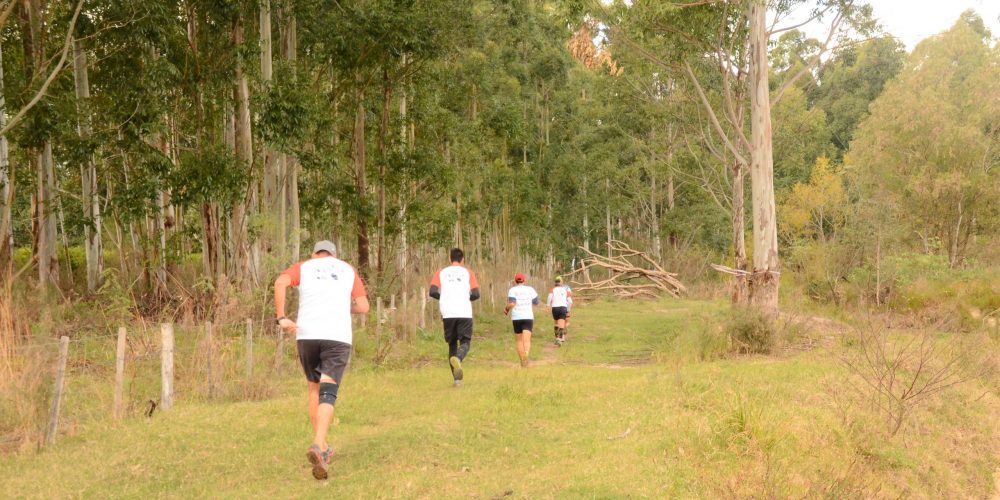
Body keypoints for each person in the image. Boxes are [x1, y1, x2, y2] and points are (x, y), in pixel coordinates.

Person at [274, 240, 369, 480]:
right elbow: (364, 306)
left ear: (314, 254)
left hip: (307, 335)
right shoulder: (347, 270)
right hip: (336, 337)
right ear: (334, 255)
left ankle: (323, 447)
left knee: (313, 390)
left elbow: (280, 282)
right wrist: (341, 307)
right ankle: (318, 443)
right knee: (329, 392)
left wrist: (281, 317)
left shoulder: (304, 266)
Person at [429, 248, 480, 386]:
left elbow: (432, 291)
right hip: (464, 312)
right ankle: (458, 357)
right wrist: (464, 297)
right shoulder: (468, 273)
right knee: (465, 342)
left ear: (449, 259)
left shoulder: (440, 272)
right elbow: (476, 294)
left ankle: (456, 380)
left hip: (448, 313)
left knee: (451, 344)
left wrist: (444, 297)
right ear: (462, 260)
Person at [503, 272, 539, 367]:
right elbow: (536, 302)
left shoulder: (512, 290)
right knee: (526, 340)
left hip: (517, 317)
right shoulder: (530, 289)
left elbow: (512, 304)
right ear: (524, 280)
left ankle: (523, 361)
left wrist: (506, 309)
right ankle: (526, 354)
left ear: (515, 281)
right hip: (528, 317)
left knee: (519, 340)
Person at [547, 276, 573, 345]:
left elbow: (550, 296)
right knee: (561, 324)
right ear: (561, 282)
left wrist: (548, 305)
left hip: (555, 308)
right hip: (563, 308)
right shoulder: (565, 290)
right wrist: (568, 310)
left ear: (555, 283)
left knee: (556, 323)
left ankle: (556, 338)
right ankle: (560, 338)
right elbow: (570, 301)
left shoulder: (552, 289)